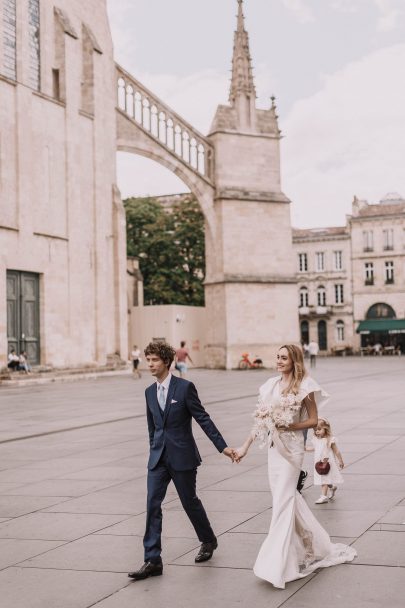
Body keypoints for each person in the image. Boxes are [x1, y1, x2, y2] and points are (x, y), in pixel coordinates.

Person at [235, 344, 356, 589]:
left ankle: (277, 563)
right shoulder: (269, 385)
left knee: (283, 500)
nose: (279, 361)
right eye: (277, 357)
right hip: (273, 450)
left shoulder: (305, 387)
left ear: (294, 361)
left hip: (291, 450)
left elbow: (313, 420)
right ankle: (313, 544)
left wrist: (288, 426)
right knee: (287, 498)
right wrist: (244, 447)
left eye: (284, 358)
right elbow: (260, 421)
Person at [128, 341, 237, 582]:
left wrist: (223, 447)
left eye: (154, 360)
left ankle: (208, 539)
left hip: (182, 457)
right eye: (148, 360)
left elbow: (203, 419)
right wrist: (154, 450)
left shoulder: (185, 388)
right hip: (158, 459)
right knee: (152, 505)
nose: (150, 365)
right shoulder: (148, 392)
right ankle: (153, 559)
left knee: (189, 501)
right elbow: (152, 428)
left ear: (167, 361)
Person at [312, 417, 344, 504]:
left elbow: (336, 451)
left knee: (324, 480)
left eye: (319, 429)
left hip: (328, 463)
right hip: (319, 463)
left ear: (326, 429)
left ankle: (323, 496)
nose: (317, 431)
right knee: (325, 479)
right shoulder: (316, 440)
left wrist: (340, 461)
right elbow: (314, 448)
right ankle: (332, 487)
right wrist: (304, 449)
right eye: (315, 430)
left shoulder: (330, 439)